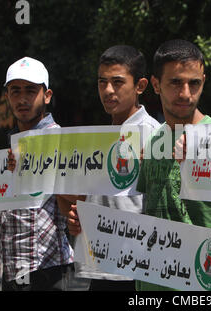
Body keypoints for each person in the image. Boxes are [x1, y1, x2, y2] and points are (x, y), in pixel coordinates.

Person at [136, 39, 211, 291]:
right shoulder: (154, 141)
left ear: (203, 82)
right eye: (175, 82)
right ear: (155, 84)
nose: (185, 93)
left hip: (203, 285)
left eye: (194, 83)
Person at [0, 57, 74, 291]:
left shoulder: (61, 140)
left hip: (46, 268)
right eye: (15, 91)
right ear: (7, 96)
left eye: (30, 90)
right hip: (11, 267)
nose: (22, 99)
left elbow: (78, 197)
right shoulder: (10, 145)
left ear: (46, 96)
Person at [58, 45, 160, 291]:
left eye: (117, 82)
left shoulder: (155, 136)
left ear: (140, 86)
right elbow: (80, 199)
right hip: (99, 269)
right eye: (102, 82)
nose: (108, 90)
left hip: (137, 273)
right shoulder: (99, 138)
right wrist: (74, 217)